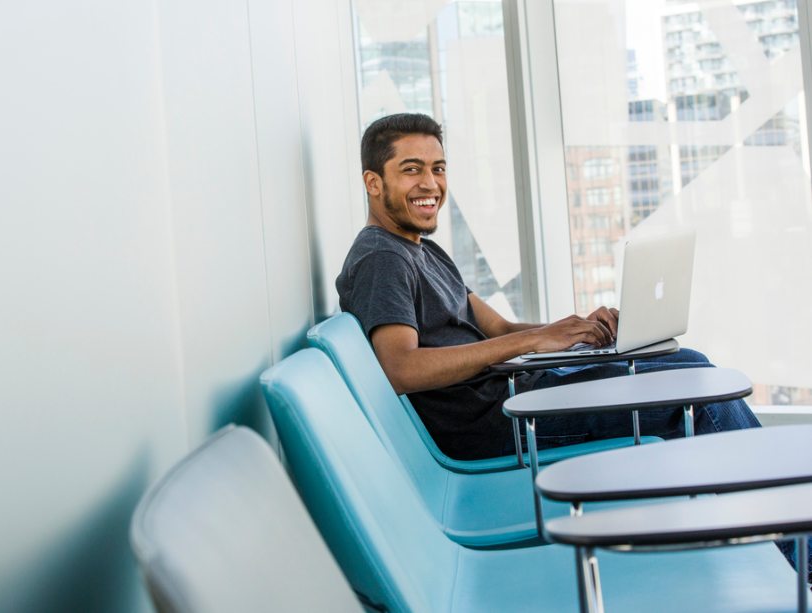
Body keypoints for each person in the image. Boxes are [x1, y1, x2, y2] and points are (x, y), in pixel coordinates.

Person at [336, 112, 810, 579]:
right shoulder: (382, 259)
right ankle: (802, 559)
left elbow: (497, 327)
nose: (431, 184)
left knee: (690, 364)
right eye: (411, 169)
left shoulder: (420, 248)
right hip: (508, 426)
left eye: (438, 169)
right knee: (702, 399)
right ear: (373, 183)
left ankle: (786, 545)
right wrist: (535, 342)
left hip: (525, 394)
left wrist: (575, 330)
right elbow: (400, 367)